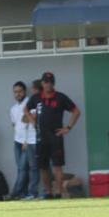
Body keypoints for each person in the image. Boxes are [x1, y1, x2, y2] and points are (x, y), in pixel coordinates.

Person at [24, 71, 80, 199]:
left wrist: (68, 128)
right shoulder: (36, 97)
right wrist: (33, 122)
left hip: (55, 136)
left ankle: (59, 192)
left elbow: (76, 111)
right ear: (42, 83)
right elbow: (26, 109)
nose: (48, 84)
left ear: (53, 83)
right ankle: (48, 192)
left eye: (50, 82)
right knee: (43, 166)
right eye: (45, 82)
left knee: (57, 165)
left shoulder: (60, 97)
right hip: (41, 136)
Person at [8, 80, 37, 200]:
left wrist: (25, 141)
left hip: (28, 141)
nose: (17, 94)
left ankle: (15, 193)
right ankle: (22, 194)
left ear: (24, 91)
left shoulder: (30, 103)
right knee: (21, 168)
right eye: (15, 92)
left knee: (24, 168)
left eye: (20, 91)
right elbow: (15, 124)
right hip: (17, 141)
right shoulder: (13, 108)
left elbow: (31, 122)